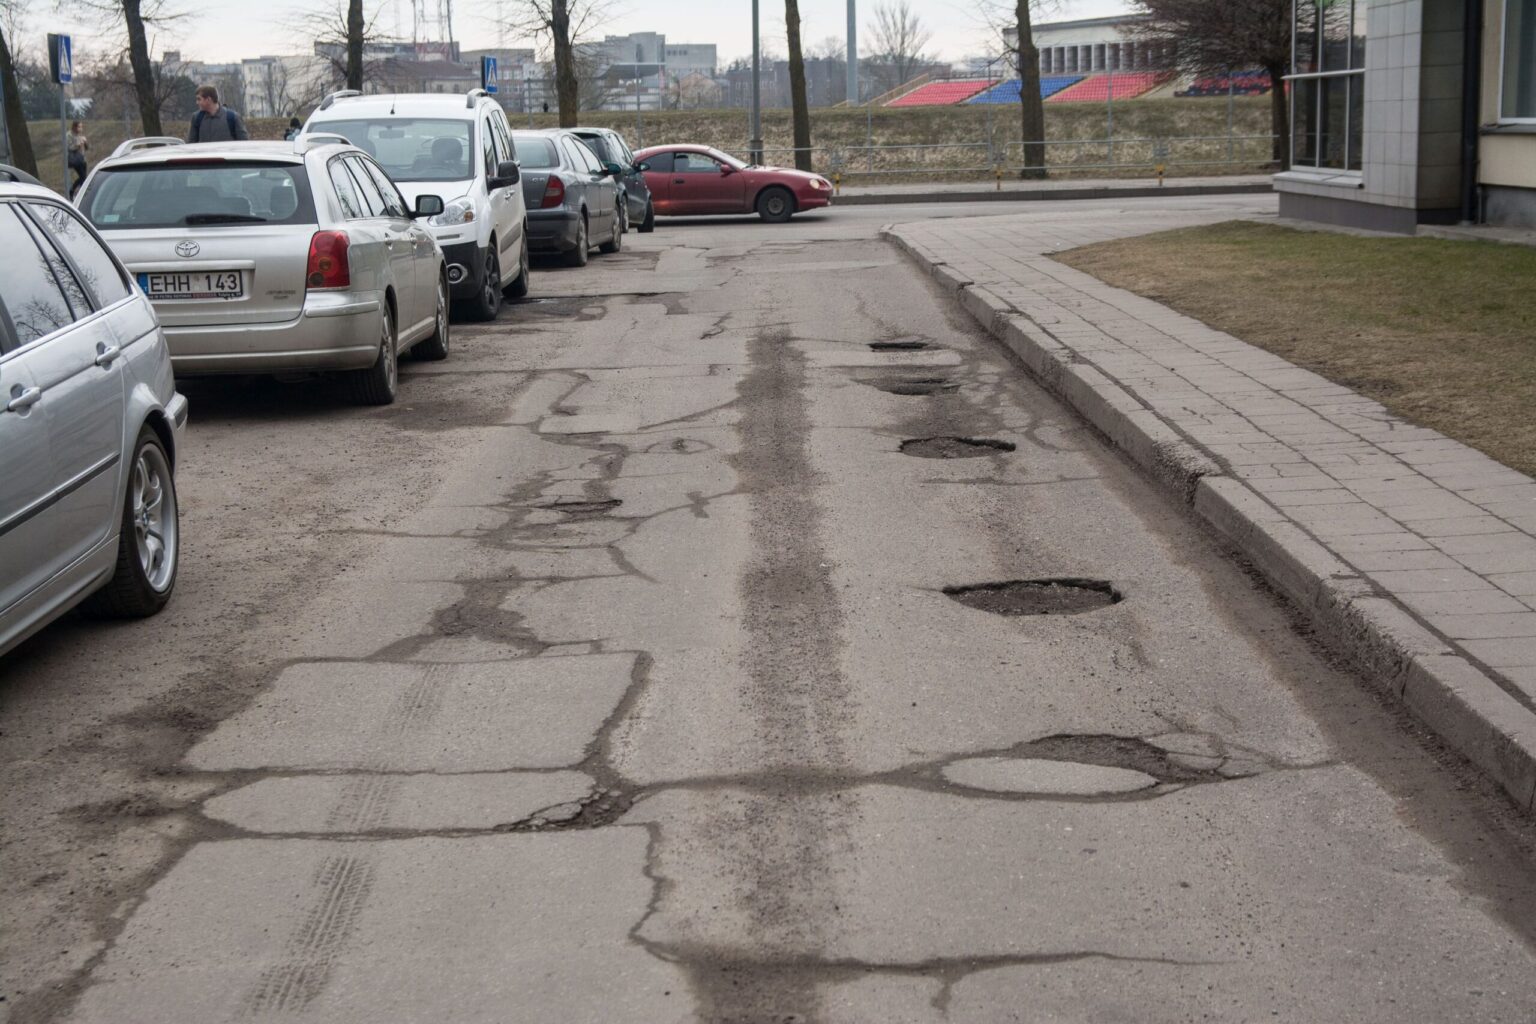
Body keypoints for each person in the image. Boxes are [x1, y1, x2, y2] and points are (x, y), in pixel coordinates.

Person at [66, 121, 88, 198]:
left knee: (84, 178)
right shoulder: (69, 135)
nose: (81, 129)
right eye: (79, 127)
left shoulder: (79, 135)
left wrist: (85, 142)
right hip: (75, 160)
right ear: (74, 127)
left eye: (81, 127)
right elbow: (69, 148)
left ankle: (81, 194)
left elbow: (86, 148)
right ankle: (72, 191)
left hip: (82, 159)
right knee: (83, 176)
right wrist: (77, 145)